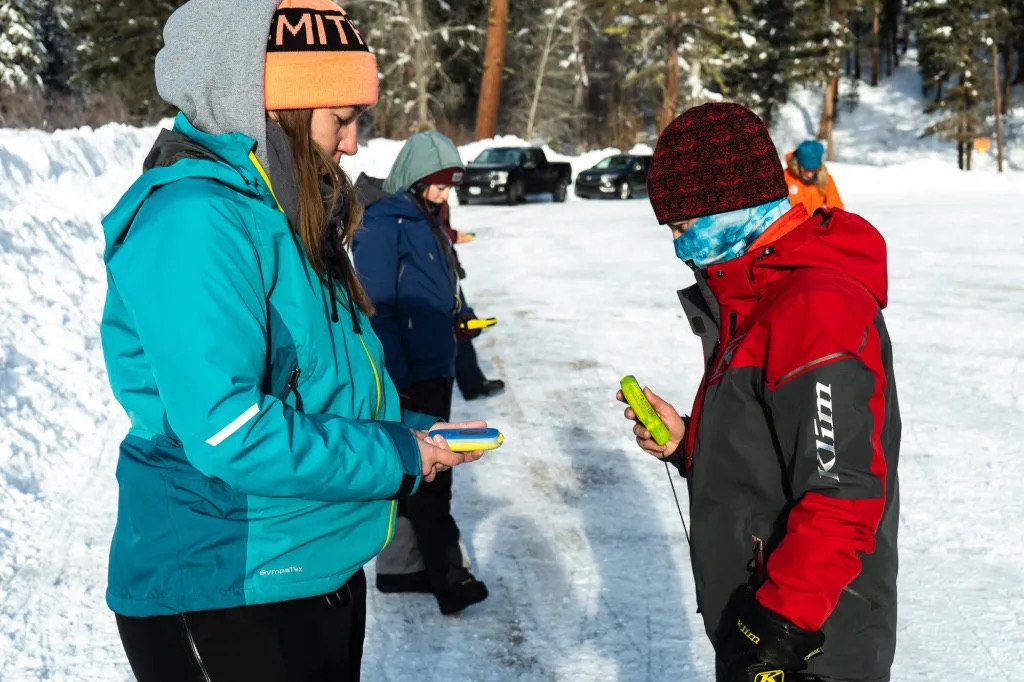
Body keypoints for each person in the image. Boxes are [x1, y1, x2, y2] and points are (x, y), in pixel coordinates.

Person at [99, 2, 485, 680]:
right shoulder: (196, 221)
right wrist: (393, 453)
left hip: (310, 566)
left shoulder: (285, 214)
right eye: (342, 118)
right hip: (223, 583)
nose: (354, 144)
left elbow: (319, 384)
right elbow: (230, 430)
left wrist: (415, 431)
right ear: (269, 107)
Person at [620, 103, 900, 682]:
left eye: (681, 225)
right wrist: (687, 445)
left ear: (730, 204)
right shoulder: (755, 294)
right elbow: (773, 450)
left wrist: (776, 629)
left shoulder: (816, 307)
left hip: (810, 642)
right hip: (763, 624)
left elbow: (841, 495)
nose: (677, 245)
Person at [352, 131, 489, 615]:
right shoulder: (385, 221)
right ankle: (449, 580)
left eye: (450, 185)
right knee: (434, 474)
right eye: (437, 184)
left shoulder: (425, 219)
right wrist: (398, 378)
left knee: (414, 472)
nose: (444, 194)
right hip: (412, 372)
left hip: (435, 362)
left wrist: (457, 319)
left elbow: (437, 288)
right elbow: (377, 306)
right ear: (413, 177)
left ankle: (400, 570)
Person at [438, 202, 506, 401]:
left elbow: (439, 231)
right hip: (437, 276)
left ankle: (473, 382)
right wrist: (451, 236)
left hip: (448, 270)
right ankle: (471, 383)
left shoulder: (435, 201)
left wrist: (451, 236)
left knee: (463, 328)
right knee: (456, 329)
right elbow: (430, 233)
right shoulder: (415, 201)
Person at [784, 139, 845, 214]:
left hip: (814, 225)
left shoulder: (825, 179)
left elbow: (838, 210)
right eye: (806, 170)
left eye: (814, 170)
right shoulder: (785, 178)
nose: (810, 174)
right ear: (797, 165)